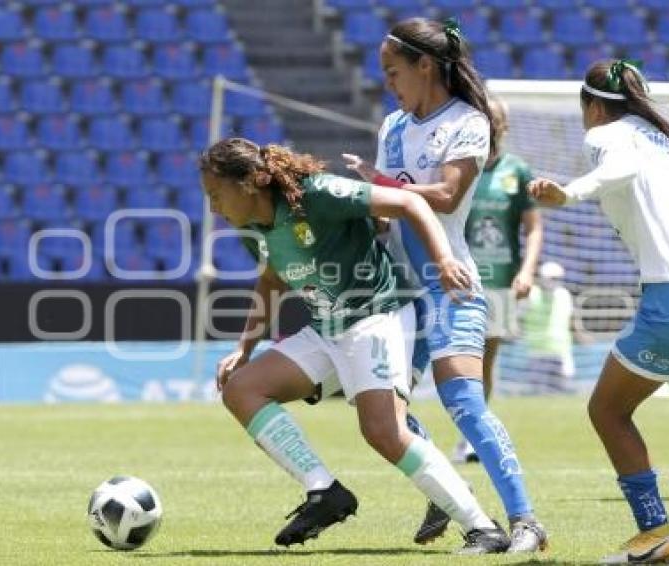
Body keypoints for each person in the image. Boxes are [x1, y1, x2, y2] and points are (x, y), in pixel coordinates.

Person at [200, 137, 510, 553]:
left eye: (216, 194)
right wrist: (245, 347)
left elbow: (411, 204)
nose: (213, 207)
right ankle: (324, 492)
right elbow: (273, 279)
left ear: (252, 181)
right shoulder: (250, 230)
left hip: (376, 317)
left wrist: (444, 260)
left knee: (383, 432)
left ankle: (483, 528)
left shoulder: (319, 194)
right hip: (326, 329)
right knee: (242, 388)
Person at [342, 17, 547, 553]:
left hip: (449, 283)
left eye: (393, 71)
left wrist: (379, 184)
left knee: (464, 402)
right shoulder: (392, 128)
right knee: (383, 409)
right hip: (397, 296)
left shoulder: (469, 122)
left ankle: (526, 521)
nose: (387, 82)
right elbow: (390, 213)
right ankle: (443, 488)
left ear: (425, 66)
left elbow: (448, 196)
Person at [528, 59, 669, 564]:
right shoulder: (668, 140)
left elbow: (619, 170)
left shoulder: (607, 135)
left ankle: (654, 533)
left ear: (593, 106)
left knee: (608, 409)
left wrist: (570, 191)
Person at [453, 94, 544, 463]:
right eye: (482, 119)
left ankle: (471, 438)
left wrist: (527, 271)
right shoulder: (460, 167)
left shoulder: (516, 171)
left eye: (494, 119)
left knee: (483, 363)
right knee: (458, 361)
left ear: (503, 126)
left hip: (501, 281)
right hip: (459, 279)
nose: (489, 125)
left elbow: (534, 229)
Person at [520, 261, 575, 391]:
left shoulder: (564, 295)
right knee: (537, 393)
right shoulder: (531, 294)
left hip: (560, 352)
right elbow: (519, 317)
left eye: (558, 278)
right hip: (536, 353)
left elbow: (571, 321)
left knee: (560, 394)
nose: (555, 281)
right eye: (552, 278)